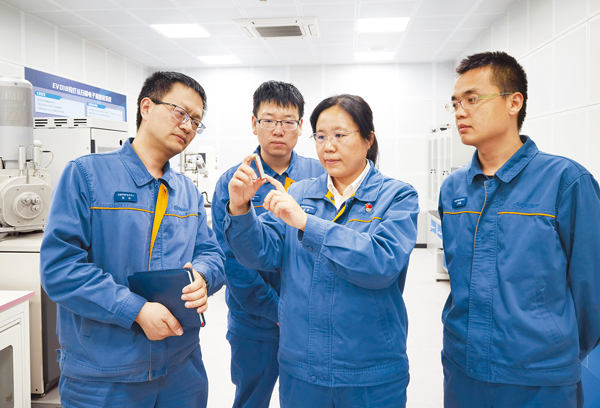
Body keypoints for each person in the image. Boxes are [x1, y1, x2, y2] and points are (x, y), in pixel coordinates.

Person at [40, 71, 225, 407]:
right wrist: (135, 310)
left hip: (181, 369)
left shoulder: (186, 191)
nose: (187, 126)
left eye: (196, 121)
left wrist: (203, 276)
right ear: (146, 107)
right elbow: (60, 269)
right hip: (105, 374)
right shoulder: (86, 175)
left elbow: (211, 253)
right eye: (180, 112)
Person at [223, 94, 419, 407]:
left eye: (340, 135)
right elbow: (260, 254)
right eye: (321, 136)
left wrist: (306, 223)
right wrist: (240, 209)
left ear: (368, 139)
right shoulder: (300, 193)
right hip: (302, 368)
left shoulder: (397, 196)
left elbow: (381, 263)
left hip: (370, 371)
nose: (328, 146)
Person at [439, 51, 600, 408]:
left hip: (539, 379)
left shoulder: (566, 182)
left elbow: (592, 292)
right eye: (455, 103)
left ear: (514, 102)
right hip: (463, 369)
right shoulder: (453, 189)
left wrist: (551, 347)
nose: (460, 112)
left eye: (472, 99)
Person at [211, 80, 325, 408]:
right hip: (253, 321)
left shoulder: (319, 176)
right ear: (254, 124)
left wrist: (298, 310)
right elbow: (230, 258)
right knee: (251, 398)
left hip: (308, 319)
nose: (278, 130)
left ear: (300, 127)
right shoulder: (234, 182)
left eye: (288, 121)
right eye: (269, 120)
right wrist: (275, 309)